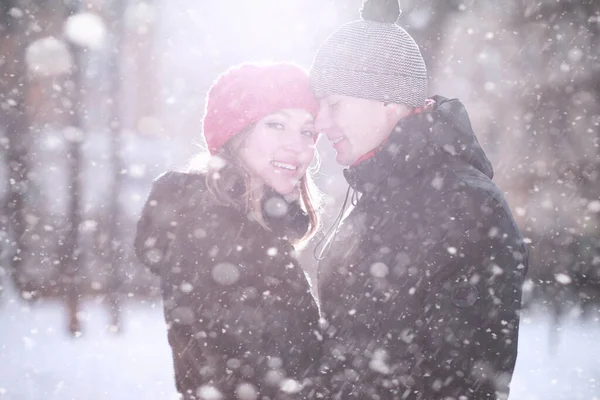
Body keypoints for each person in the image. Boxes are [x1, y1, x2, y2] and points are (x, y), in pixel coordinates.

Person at [309, 0, 529, 399]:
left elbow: (460, 383)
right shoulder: (377, 195)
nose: (320, 122)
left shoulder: (465, 205)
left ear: (389, 102)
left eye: (334, 104)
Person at [134, 62, 323, 400]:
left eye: (307, 131)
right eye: (277, 124)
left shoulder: (246, 228)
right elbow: (262, 379)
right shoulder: (218, 233)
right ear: (235, 135)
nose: (298, 146)